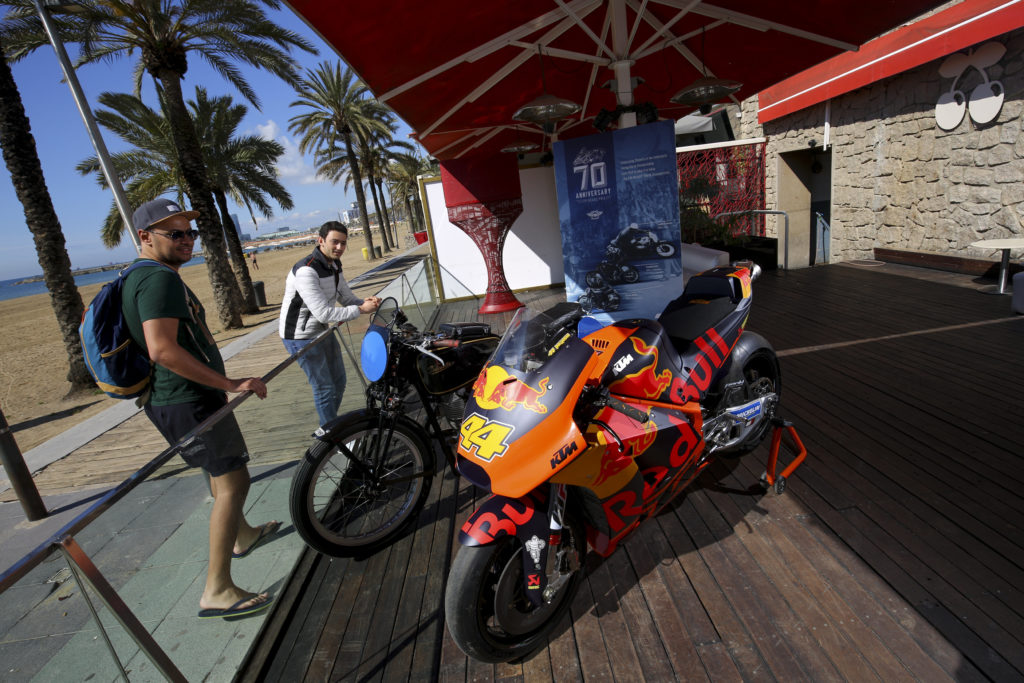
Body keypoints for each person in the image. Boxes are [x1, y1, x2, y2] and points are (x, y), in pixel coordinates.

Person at [122, 198, 277, 620]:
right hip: (187, 401)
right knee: (233, 482)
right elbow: (162, 350)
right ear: (144, 237)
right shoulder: (158, 280)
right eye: (175, 234)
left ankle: (242, 535)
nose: (188, 240)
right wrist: (229, 384)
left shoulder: (143, 275)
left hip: (180, 400)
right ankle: (218, 588)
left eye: (191, 233)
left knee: (220, 474)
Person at [279, 221, 381, 426]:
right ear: (321, 241)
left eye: (343, 243)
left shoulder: (334, 265)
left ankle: (329, 426)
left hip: (322, 331)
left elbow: (346, 297)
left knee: (339, 382)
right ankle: (330, 436)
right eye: (335, 242)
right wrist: (361, 310)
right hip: (299, 337)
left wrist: (366, 302)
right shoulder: (306, 270)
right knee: (324, 388)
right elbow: (324, 314)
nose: (340, 248)